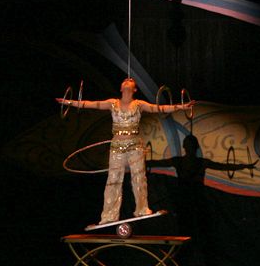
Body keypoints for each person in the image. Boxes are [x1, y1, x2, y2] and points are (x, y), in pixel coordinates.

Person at [56, 77, 194, 224]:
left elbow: (159, 108)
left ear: (134, 89)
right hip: (117, 147)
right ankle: (109, 216)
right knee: (113, 180)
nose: (128, 79)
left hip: (135, 145)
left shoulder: (139, 104)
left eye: (131, 81)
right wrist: (69, 102)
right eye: (125, 80)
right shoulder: (112, 103)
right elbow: (90, 104)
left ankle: (142, 209)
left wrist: (181, 107)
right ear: (121, 88)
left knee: (139, 178)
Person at [146, 134, 257, 266]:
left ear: (186, 147)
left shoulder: (188, 162)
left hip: (193, 201)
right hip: (189, 201)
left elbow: (222, 166)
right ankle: (190, 262)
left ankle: (197, 262)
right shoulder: (184, 162)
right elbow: (223, 166)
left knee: (193, 230)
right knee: (190, 230)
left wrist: (242, 166)